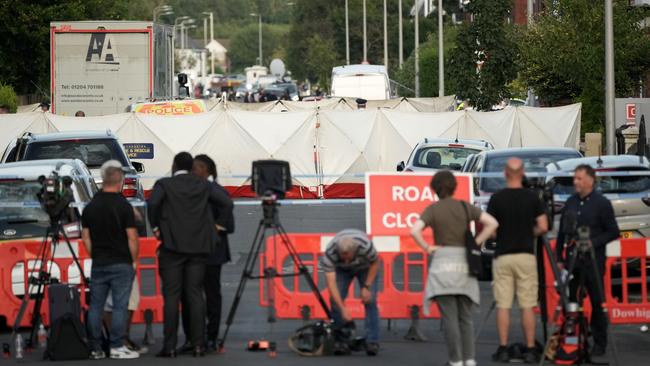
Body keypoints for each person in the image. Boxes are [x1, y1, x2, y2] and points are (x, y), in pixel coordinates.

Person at [148, 152, 233, 358]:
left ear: (174, 166)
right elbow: (227, 203)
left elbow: (152, 204)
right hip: (198, 248)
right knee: (195, 295)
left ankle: (169, 346)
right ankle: (198, 345)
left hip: (172, 248)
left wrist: (157, 228)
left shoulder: (164, 184)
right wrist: (216, 227)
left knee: (172, 297)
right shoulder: (202, 184)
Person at [411, 170, 498, 366]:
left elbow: (414, 230)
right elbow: (492, 223)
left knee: (449, 317)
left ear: (434, 189)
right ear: (454, 187)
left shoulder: (433, 209)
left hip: (443, 262)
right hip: (465, 263)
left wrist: (427, 247)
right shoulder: (465, 207)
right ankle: (469, 359)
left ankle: (455, 360)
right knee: (465, 318)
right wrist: (476, 242)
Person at [486, 159, 548, 363]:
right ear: (522, 173)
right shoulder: (532, 198)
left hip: (503, 255)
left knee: (503, 304)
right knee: (527, 304)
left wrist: (502, 234)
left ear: (505, 173)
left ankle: (503, 348)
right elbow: (543, 226)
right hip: (526, 255)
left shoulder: (497, 198)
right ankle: (530, 348)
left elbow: (492, 231)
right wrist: (530, 233)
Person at [556, 164, 619, 358]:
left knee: (597, 301)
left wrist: (594, 242)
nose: (575, 182)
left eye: (579, 178)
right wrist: (559, 257)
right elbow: (562, 232)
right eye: (575, 178)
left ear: (590, 180)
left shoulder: (601, 203)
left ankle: (599, 342)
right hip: (573, 260)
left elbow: (613, 231)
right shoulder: (571, 202)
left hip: (593, 261)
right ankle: (572, 339)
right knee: (571, 301)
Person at [81, 160, 140, 360]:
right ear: (120, 180)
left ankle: (95, 347)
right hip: (121, 261)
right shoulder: (124, 206)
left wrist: (94, 254)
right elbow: (132, 236)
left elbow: (86, 237)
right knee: (119, 306)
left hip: (99, 262)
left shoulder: (90, 207)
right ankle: (116, 346)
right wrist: (133, 260)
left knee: (96, 306)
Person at [179, 155, 234, 353]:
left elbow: (230, 223)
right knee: (189, 296)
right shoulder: (193, 189)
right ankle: (193, 337)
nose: (193, 172)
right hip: (192, 251)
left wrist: (216, 229)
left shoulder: (217, 191)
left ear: (206, 170)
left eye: (196, 168)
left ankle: (211, 336)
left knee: (211, 296)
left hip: (212, 252)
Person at [321, 229, 381, 356]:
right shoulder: (330, 254)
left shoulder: (365, 246)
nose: (347, 261)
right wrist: (342, 308)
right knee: (335, 301)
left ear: (355, 251)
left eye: (349, 257)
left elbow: (375, 262)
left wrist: (367, 287)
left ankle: (372, 341)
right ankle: (340, 341)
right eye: (343, 258)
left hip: (365, 267)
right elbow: (332, 285)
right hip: (341, 271)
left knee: (370, 301)